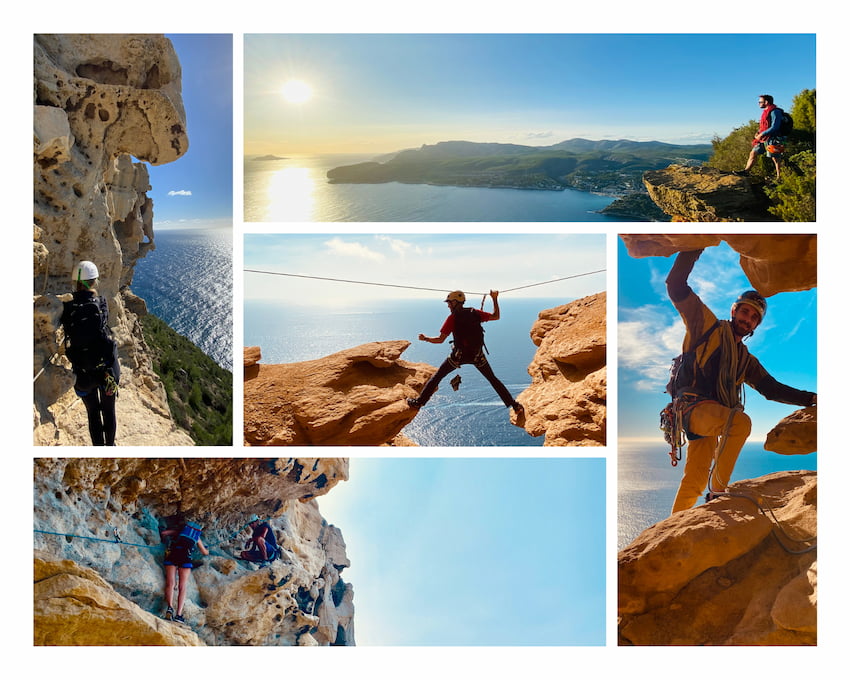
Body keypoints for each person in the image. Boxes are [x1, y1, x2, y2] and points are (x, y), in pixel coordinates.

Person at [665, 249, 816, 513]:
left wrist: (811, 399)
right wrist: (693, 247)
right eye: (744, 312)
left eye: (754, 317)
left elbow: (771, 389)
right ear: (734, 311)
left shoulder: (745, 359)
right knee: (740, 422)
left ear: (756, 325)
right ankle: (719, 493)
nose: (747, 319)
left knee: (694, 480)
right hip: (693, 408)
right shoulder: (708, 326)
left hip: (712, 417)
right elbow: (676, 286)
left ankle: (668, 531)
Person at [407, 290, 523, 416]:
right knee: (493, 379)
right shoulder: (474, 313)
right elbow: (496, 316)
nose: (448, 305)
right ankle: (515, 405)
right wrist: (494, 298)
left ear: (456, 302)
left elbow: (440, 340)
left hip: (458, 356)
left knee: (437, 377)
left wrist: (425, 338)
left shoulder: (452, 318)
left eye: (450, 303)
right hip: (477, 356)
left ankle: (419, 402)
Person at [60, 260, 120, 446]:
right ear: (95, 281)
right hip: (107, 371)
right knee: (109, 412)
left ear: (74, 283)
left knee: (93, 413)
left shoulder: (67, 309)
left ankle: (98, 448)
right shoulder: (101, 303)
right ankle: (110, 448)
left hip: (83, 373)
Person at [159, 517, 208, 623]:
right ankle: (178, 615)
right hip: (185, 559)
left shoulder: (179, 532)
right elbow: (204, 552)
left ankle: (170, 608)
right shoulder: (197, 536)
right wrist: (206, 549)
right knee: (182, 587)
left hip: (172, 556)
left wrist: (167, 539)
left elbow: (164, 533)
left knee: (170, 583)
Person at [736, 94, 787, 180]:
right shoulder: (765, 112)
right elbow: (764, 126)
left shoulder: (775, 112)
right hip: (763, 139)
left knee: (775, 158)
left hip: (773, 138)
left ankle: (779, 178)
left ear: (766, 102)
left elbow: (775, 126)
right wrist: (758, 133)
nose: (759, 103)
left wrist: (761, 134)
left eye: (760, 102)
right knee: (753, 153)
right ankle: (746, 171)